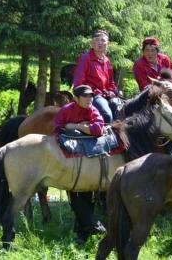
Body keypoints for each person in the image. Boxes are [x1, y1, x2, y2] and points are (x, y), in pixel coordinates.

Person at [53, 85, 106, 244]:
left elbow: (98, 129)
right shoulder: (66, 110)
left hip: (89, 159)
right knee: (76, 194)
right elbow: (57, 128)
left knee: (87, 195)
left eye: (91, 95)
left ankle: (85, 230)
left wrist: (76, 126)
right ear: (76, 98)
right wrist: (83, 128)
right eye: (86, 96)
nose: (90, 99)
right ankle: (89, 228)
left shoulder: (92, 109)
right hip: (70, 159)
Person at [73, 30, 121, 123]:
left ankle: (116, 135)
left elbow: (111, 82)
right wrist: (92, 92)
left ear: (108, 44)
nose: (99, 43)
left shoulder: (107, 61)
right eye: (96, 40)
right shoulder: (85, 58)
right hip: (91, 95)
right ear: (92, 43)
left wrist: (112, 91)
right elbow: (79, 82)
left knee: (120, 109)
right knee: (106, 114)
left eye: (103, 40)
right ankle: (104, 137)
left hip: (105, 95)